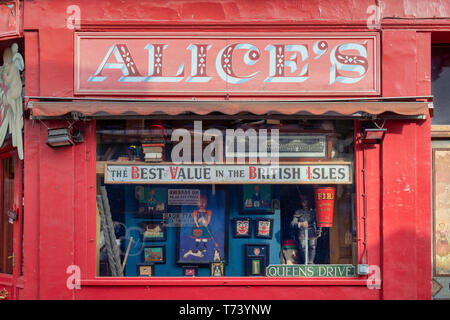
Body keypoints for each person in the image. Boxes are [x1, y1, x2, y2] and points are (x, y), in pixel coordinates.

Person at [290, 196, 322, 264]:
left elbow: (319, 221)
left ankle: (311, 262)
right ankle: (305, 261)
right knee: (303, 246)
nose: (306, 204)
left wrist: (319, 230)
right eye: (304, 202)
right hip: (302, 232)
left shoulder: (314, 212)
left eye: (307, 202)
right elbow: (292, 223)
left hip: (312, 230)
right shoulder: (298, 212)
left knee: (312, 246)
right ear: (301, 203)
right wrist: (300, 224)